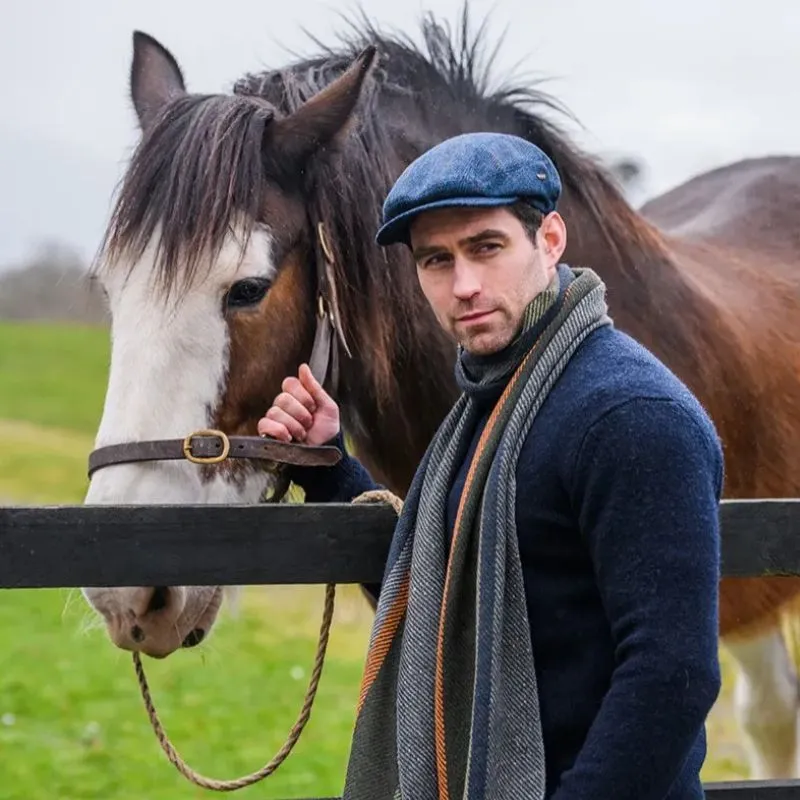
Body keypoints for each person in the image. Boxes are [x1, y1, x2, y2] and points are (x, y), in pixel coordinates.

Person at [258, 132, 724, 800]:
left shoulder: (630, 415)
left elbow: (671, 674)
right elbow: (451, 583)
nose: (464, 285)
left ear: (551, 239)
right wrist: (333, 468)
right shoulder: (488, 405)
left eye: (486, 247)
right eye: (436, 260)